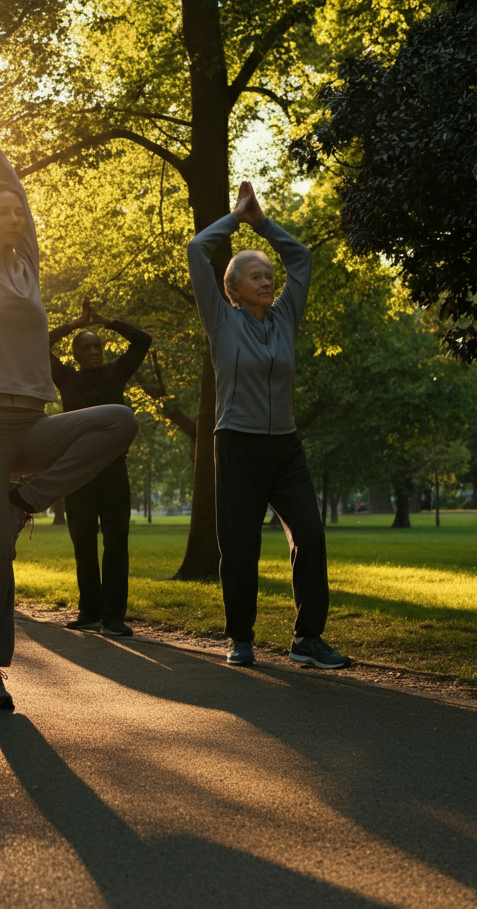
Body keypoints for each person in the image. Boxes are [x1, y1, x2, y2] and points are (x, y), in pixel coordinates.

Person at [0, 85, 139, 709]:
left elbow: (16, 190)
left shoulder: (28, 269)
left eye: (20, 213)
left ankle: (28, 498)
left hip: (29, 425)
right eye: (4, 213)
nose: (17, 217)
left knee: (118, 422)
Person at [186, 181, 350, 669]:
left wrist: (263, 223)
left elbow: (300, 258)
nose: (266, 281)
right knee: (240, 546)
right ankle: (240, 637)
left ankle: (307, 639)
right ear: (231, 289)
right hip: (237, 444)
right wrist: (236, 217)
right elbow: (197, 249)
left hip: (285, 448)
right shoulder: (221, 319)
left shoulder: (284, 319)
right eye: (254, 276)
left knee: (311, 535)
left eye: (267, 275)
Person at [49, 297, 151, 636]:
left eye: (98, 346)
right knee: (84, 544)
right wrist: (75, 325)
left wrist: (107, 322)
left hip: (113, 472)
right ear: (75, 355)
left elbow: (142, 340)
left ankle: (113, 618)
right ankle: (89, 612)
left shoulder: (116, 372)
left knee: (116, 543)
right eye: (86, 347)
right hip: (77, 474)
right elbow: (37, 345)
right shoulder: (66, 378)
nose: (94, 351)